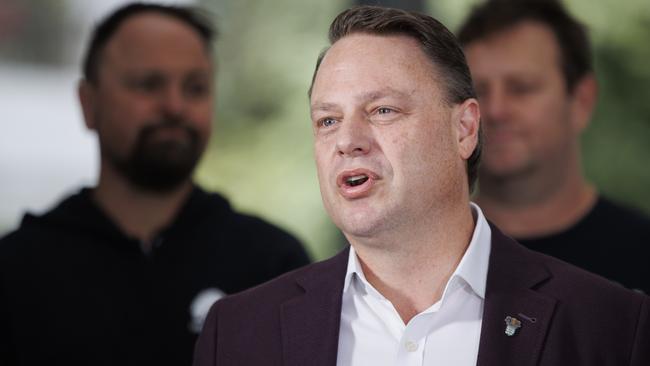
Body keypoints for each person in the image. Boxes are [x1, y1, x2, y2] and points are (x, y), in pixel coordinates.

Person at [193, 5, 649, 366]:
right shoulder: (238, 332)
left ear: (465, 129)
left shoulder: (610, 326)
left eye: (382, 110)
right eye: (327, 120)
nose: (347, 140)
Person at [0, 3, 310, 366]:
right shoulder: (18, 273)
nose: (175, 106)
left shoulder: (274, 266)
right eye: (148, 84)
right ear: (88, 103)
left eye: (195, 88)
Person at [457, 0, 650, 294]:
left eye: (521, 87)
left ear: (581, 101)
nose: (495, 110)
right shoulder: (427, 254)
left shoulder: (641, 254)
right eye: (478, 91)